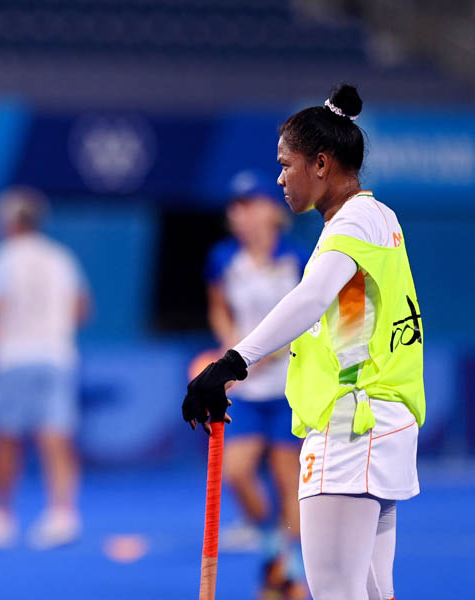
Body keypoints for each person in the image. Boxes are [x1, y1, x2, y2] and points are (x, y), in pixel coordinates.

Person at [182, 84, 424, 600]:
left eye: (285, 164)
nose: (280, 178)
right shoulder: (375, 219)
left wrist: (231, 362)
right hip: (376, 424)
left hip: (350, 426)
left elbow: (310, 297)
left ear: (320, 163)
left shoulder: (353, 223)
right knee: (373, 593)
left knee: (336, 592)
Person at [0, 185, 91, 550]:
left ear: (8, 222)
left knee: (6, 436)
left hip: (13, 357)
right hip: (57, 356)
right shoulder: (61, 258)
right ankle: (63, 514)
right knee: (56, 436)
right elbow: (82, 308)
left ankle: (1, 517)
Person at [202, 170, 308, 599]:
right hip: (243, 388)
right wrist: (231, 342)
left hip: (288, 386)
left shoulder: (298, 258)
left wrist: (262, 355)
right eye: (235, 207)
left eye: (248, 205)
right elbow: (218, 309)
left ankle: (290, 570)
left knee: (288, 481)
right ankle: (271, 549)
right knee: (238, 472)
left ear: (270, 211)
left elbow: (306, 320)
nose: (238, 214)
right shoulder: (223, 259)